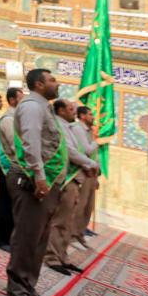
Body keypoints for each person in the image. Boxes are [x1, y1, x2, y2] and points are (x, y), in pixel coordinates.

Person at [5, 68, 64, 296]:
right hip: (31, 181)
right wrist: (39, 177)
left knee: (39, 239)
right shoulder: (32, 106)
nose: (56, 83)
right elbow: (30, 142)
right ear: (39, 84)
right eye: (52, 80)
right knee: (27, 237)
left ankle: (28, 286)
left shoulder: (43, 107)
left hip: (44, 182)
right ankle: (17, 290)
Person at [43, 99, 97, 275]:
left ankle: (62, 256)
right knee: (59, 221)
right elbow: (71, 152)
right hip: (66, 178)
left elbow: (78, 151)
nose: (74, 112)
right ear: (60, 111)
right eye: (70, 109)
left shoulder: (68, 126)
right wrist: (89, 164)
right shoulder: (60, 126)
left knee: (68, 221)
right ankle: (51, 257)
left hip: (75, 178)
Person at [0, 86, 23, 251]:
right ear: (12, 100)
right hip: (9, 166)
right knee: (5, 203)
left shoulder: (17, 118)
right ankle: (0, 238)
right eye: (21, 97)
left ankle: (6, 237)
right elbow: (14, 145)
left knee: (12, 204)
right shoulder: (9, 119)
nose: (23, 101)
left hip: (15, 166)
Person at [69, 105, 100, 246]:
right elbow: (86, 150)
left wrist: (97, 174)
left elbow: (94, 155)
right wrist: (96, 142)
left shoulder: (89, 131)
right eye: (90, 114)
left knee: (88, 207)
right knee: (80, 206)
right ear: (82, 116)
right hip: (83, 171)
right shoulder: (77, 129)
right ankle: (73, 235)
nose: (93, 117)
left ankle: (80, 234)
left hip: (92, 173)